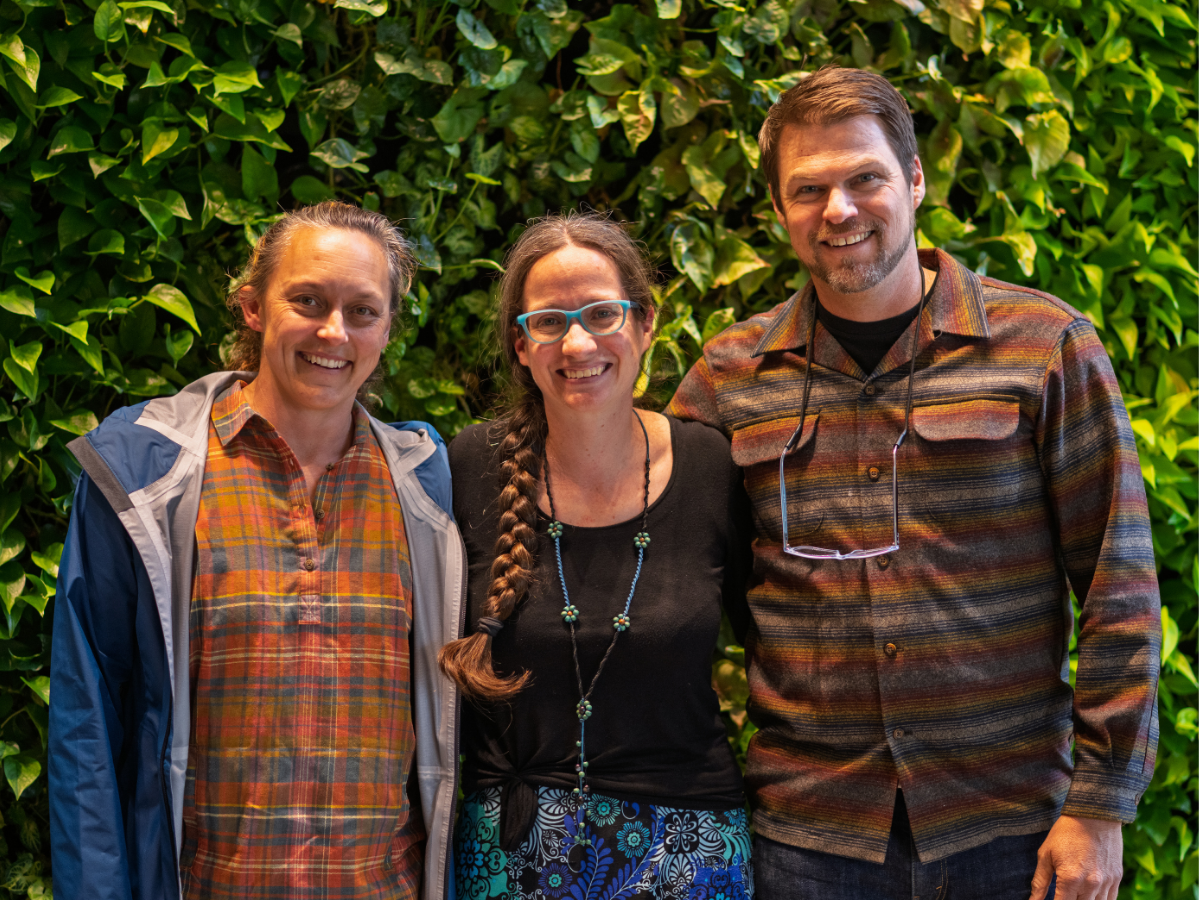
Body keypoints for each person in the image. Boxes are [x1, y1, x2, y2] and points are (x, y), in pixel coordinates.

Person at [667, 67, 1161, 900]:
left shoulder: (1043, 345)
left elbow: (1120, 582)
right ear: (780, 208)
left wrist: (1101, 805)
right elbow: (673, 579)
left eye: (865, 178)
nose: (839, 210)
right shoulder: (730, 376)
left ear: (916, 179)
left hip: (1012, 830)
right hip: (809, 836)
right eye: (809, 189)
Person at [49, 202, 464, 900]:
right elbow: (86, 725)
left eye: (363, 311)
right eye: (308, 300)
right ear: (252, 307)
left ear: (388, 329)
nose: (334, 331)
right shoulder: (144, 477)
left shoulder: (427, 486)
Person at [439, 212, 755, 900]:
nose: (577, 342)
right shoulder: (468, 467)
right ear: (521, 345)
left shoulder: (711, 466)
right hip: (512, 852)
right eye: (549, 321)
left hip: (690, 849)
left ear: (645, 323)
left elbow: (778, 653)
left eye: (602, 314)